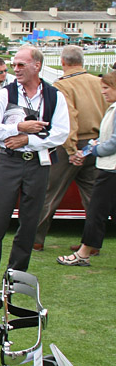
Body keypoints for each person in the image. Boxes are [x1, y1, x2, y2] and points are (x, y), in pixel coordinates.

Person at [0, 46, 69, 284]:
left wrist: (29, 139)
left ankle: (15, 278)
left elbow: (60, 133)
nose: (15, 69)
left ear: (36, 66)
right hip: (8, 161)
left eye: (21, 65)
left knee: (30, 223)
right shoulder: (4, 95)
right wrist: (19, 128)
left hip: (38, 164)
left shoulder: (54, 96)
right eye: (14, 65)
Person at [34, 45, 106, 252]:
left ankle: (36, 239)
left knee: (49, 192)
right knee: (93, 197)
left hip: (71, 144)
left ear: (63, 62)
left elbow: (69, 118)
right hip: (96, 143)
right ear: (82, 61)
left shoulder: (62, 86)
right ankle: (92, 243)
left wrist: (72, 150)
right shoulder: (99, 82)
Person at [59, 71, 116, 266]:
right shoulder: (112, 109)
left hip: (110, 168)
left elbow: (113, 143)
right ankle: (85, 251)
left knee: (96, 211)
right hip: (109, 167)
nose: (103, 92)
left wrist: (94, 149)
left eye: (107, 88)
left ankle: (83, 254)